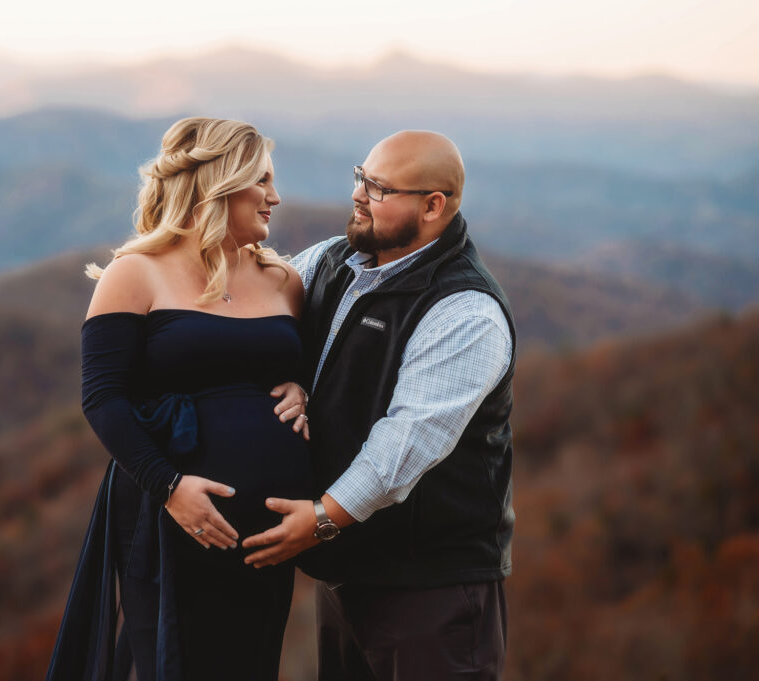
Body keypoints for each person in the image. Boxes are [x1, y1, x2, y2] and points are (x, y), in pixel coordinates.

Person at [241, 131, 517, 680]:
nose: (359, 195)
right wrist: (289, 376)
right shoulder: (334, 261)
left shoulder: (465, 311)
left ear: (433, 206)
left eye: (380, 188)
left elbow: (406, 444)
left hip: (430, 588)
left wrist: (320, 520)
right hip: (348, 572)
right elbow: (258, 304)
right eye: (360, 177)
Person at [44, 117, 312, 681]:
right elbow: (103, 399)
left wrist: (305, 389)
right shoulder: (134, 274)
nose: (275, 197)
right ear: (219, 182)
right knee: (172, 664)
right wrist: (169, 488)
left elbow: (313, 368)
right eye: (261, 181)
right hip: (169, 517)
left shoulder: (285, 280)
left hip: (267, 536)